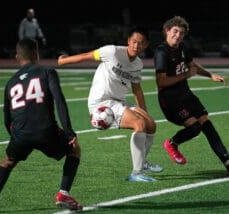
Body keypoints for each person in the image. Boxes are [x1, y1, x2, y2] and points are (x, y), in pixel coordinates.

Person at [0, 38, 82, 214]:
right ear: (36, 53)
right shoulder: (47, 72)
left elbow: (7, 118)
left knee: (7, 161)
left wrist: (16, 138)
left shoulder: (10, 82)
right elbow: (59, 101)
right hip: (46, 132)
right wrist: (69, 131)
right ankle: (63, 193)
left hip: (20, 134)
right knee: (74, 149)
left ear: (17, 57)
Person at [58, 26, 163, 182]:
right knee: (139, 124)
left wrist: (144, 111)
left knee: (151, 124)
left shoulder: (138, 64)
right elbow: (88, 55)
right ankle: (136, 173)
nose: (136, 46)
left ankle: (142, 161)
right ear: (128, 41)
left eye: (140, 43)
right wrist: (63, 60)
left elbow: (137, 90)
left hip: (119, 101)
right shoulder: (112, 52)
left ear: (145, 45)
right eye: (134, 42)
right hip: (102, 102)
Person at [153, 16, 229, 176]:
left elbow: (193, 66)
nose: (178, 36)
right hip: (170, 99)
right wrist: (185, 74)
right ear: (167, 31)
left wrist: (210, 74)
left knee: (207, 124)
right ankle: (171, 143)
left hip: (185, 94)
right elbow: (161, 82)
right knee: (194, 128)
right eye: (175, 31)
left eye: (181, 33)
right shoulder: (161, 52)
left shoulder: (183, 47)